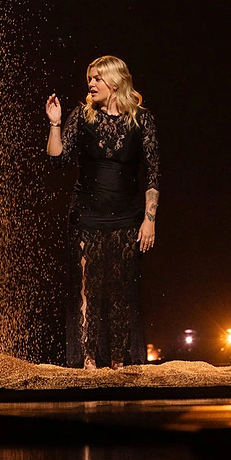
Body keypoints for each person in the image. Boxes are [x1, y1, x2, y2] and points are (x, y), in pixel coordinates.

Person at [45, 55, 160, 369]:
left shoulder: (141, 120)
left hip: (127, 216)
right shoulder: (83, 117)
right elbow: (57, 159)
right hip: (86, 214)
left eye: (97, 78)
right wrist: (55, 123)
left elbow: (152, 173)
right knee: (88, 290)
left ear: (115, 81)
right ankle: (88, 362)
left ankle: (121, 362)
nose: (91, 84)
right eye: (90, 79)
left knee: (122, 289)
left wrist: (149, 220)